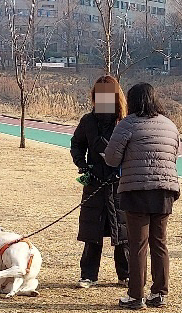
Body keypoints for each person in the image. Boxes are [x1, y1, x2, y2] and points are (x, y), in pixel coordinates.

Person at [104, 83, 180, 310]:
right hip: (165, 189)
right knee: (160, 243)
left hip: (136, 189)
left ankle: (136, 295)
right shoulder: (169, 125)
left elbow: (111, 159)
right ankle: (159, 293)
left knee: (138, 244)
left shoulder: (127, 124)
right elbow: (174, 155)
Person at [70, 75, 130, 289]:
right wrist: (83, 165)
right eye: (99, 95)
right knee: (91, 233)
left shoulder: (124, 121)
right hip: (95, 183)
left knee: (122, 233)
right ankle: (88, 275)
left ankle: (126, 275)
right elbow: (76, 145)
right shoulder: (88, 121)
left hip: (119, 184)